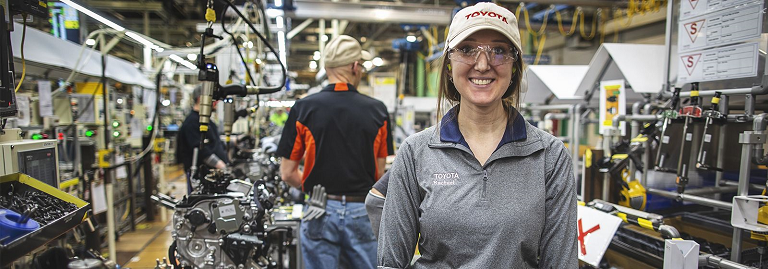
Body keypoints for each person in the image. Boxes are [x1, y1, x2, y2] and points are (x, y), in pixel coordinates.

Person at [377, 3, 577, 268]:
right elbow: (389, 263)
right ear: (449, 64)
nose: (482, 65)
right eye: (467, 49)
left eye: (498, 51)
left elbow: (560, 263)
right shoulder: (416, 152)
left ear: (514, 66)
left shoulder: (549, 156)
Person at [277, 35, 394, 269]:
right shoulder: (377, 111)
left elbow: (287, 173)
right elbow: (379, 174)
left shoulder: (303, 109)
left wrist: (311, 188)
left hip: (320, 211)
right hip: (362, 212)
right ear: (354, 67)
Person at [176, 86, 229, 194]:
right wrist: (222, 166)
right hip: (203, 179)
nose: (216, 102)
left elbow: (215, 142)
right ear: (202, 99)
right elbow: (201, 151)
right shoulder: (192, 123)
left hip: (213, 177)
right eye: (214, 99)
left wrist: (236, 140)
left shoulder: (207, 121)